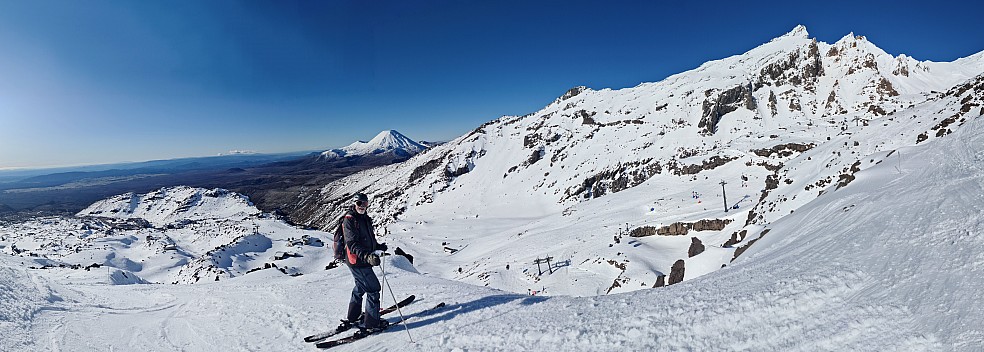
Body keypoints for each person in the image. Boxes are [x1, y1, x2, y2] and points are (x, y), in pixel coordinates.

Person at [338, 192, 389, 334]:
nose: (363, 206)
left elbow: (367, 240)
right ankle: (372, 323)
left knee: (360, 287)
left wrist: (378, 247)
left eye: (365, 204)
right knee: (373, 289)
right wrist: (367, 256)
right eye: (360, 203)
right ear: (355, 203)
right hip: (357, 261)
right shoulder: (350, 220)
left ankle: (353, 316)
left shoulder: (364, 218)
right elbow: (352, 243)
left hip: (362, 259)